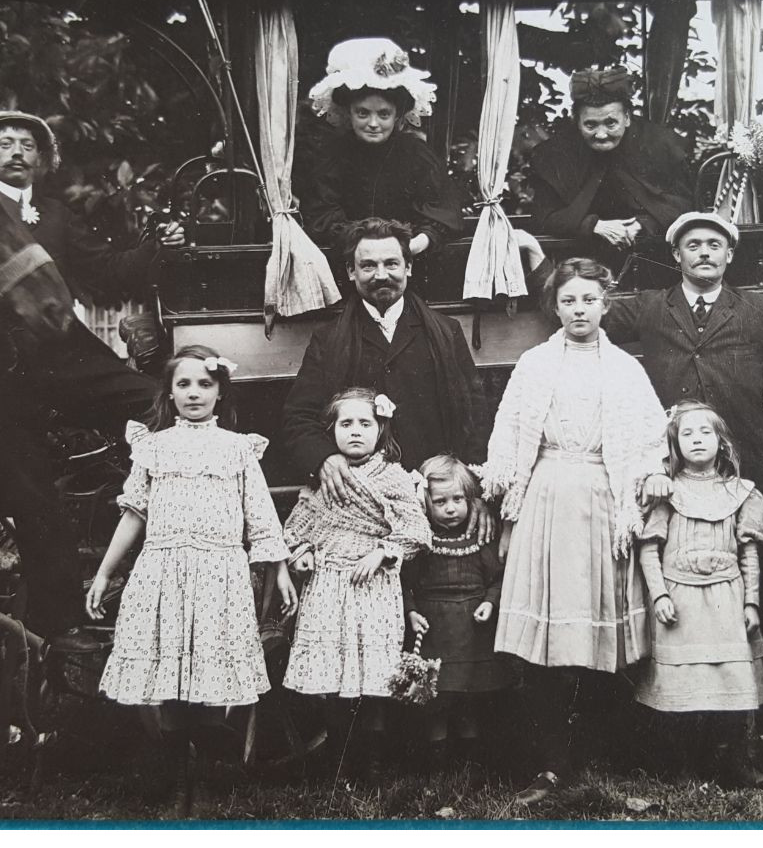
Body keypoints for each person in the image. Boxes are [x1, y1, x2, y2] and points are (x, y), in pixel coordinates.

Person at [0, 109, 181, 642]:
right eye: (5, 143)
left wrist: (159, 247)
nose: (17, 151)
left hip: (65, 361)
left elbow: (106, 273)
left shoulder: (56, 216)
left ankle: (162, 517)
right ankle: (59, 635)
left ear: (41, 161)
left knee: (163, 402)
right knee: (41, 514)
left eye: (28, 145)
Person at [601, 210, 763, 762]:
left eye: (714, 245)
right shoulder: (652, 306)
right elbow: (586, 318)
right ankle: (679, 729)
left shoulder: (755, 309)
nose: (704, 253)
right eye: (693, 244)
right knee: (680, 588)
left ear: (729, 255)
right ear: (675, 255)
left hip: (746, 467)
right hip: (674, 477)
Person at [86, 346, 298, 817]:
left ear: (221, 392)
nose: (194, 393)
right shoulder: (153, 447)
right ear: (170, 392)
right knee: (170, 680)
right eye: (183, 384)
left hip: (218, 576)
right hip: (162, 573)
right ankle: (174, 778)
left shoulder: (238, 449)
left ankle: (204, 784)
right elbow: (134, 512)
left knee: (207, 681)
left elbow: (261, 517)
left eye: (205, 384)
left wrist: (279, 568)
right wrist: (104, 571)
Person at [484, 257, 664, 806]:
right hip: (547, 498)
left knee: (595, 631)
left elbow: (652, 436)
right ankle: (551, 762)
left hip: (604, 501)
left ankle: (594, 750)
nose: (579, 309)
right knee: (548, 637)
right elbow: (510, 432)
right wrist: (506, 495)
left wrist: (650, 473)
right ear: (555, 307)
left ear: (606, 304)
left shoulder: (626, 369)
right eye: (568, 300)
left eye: (589, 299)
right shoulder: (535, 364)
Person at [282, 387, 434, 779]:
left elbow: (417, 531)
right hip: (329, 584)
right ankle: (338, 758)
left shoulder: (394, 478)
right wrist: (303, 555)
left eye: (365, 424)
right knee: (332, 671)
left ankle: (373, 761)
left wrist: (382, 552)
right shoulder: (324, 478)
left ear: (380, 429)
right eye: (345, 424)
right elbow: (298, 528)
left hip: (373, 587)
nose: (355, 432)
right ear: (330, 431)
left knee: (373, 673)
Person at [273, 217, 488, 489]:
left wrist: (472, 489)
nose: (381, 275)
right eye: (368, 266)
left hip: (433, 492)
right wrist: (324, 458)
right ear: (351, 271)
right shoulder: (328, 339)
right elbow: (298, 417)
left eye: (391, 263)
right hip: (360, 492)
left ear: (408, 267)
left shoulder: (446, 331)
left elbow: (475, 415)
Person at [635, 401, 763, 789]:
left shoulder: (739, 492)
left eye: (705, 432)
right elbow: (649, 548)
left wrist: (751, 602)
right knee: (682, 686)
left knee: (731, 680)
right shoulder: (668, 493)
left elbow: (749, 553)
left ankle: (736, 763)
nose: (696, 440)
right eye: (687, 433)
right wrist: (660, 595)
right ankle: (683, 766)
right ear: (674, 445)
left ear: (722, 442)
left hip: (727, 599)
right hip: (680, 602)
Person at [302, 37, 466, 256]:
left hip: (411, 259)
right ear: (349, 113)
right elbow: (321, 215)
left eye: (383, 114)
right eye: (363, 113)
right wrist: (363, 243)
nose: (373, 123)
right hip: (348, 259)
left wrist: (413, 245)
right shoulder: (332, 155)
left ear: (397, 115)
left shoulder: (417, 154)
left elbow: (442, 211)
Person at [402, 454, 509, 783]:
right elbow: (403, 582)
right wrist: (411, 612)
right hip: (435, 631)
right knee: (437, 699)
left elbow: (497, 578)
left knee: (468, 699)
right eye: (441, 502)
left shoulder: (479, 539)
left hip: (472, 631)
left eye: (458, 500)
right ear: (425, 504)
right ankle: (438, 761)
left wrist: (490, 603)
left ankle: (471, 762)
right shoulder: (421, 543)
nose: (450, 509)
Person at [527, 67, 693, 266]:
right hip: (580, 262)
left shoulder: (659, 145)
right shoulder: (555, 154)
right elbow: (543, 217)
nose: (601, 134)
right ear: (576, 122)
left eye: (611, 123)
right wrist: (593, 225)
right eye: (590, 125)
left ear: (627, 118)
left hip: (653, 259)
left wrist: (643, 225)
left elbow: (684, 205)